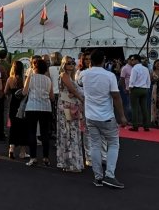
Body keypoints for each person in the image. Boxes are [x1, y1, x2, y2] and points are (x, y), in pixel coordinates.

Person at [80, 49, 127, 189]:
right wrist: (122, 116)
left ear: (90, 60)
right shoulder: (109, 76)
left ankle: (98, 177)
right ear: (104, 60)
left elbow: (79, 82)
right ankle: (110, 175)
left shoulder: (83, 74)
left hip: (90, 116)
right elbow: (116, 96)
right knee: (113, 144)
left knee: (95, 145)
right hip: (106, 116)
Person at [22, 58, 54, 167]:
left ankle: (33, 157)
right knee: (45, 133)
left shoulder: (31, 78)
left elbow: (24, 92)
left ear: (34, 67)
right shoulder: (48, 79)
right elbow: (52, 96)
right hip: (46, 107)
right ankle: (46, 157)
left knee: (31, 132)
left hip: (32, 107)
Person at [57, 56, 85, 173]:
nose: (71, 65)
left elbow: (73, 90)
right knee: (68, 133)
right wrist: (81, 99)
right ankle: (69, 163)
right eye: (69, 63)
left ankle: (72, 162)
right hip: (66, 107)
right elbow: (72, 90)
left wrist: (76, 96)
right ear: (64, 64)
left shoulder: (70, 76)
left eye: (73, 63)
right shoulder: (63, 75)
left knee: (72, 133)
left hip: (71, 105)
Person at [5, 61, 28, 159]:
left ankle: (11, 149)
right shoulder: (25, 80)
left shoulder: (10, 79)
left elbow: (6, 91)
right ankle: (23, 152)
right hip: (23, 106)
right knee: (23, 128)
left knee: (13, 128)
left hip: (13, 105)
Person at [128, 54, 151, 132]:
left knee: (134, 108)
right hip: (144, 89)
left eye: (132, 59)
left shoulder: (134, 68)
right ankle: (146, 126)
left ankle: (135, 126)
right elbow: (148, 80)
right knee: (144, 108)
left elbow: (132, 80)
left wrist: (130, 88)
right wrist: (147, 87)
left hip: (136, 89)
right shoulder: (145, 68)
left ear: (136, 60)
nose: (131, 61)